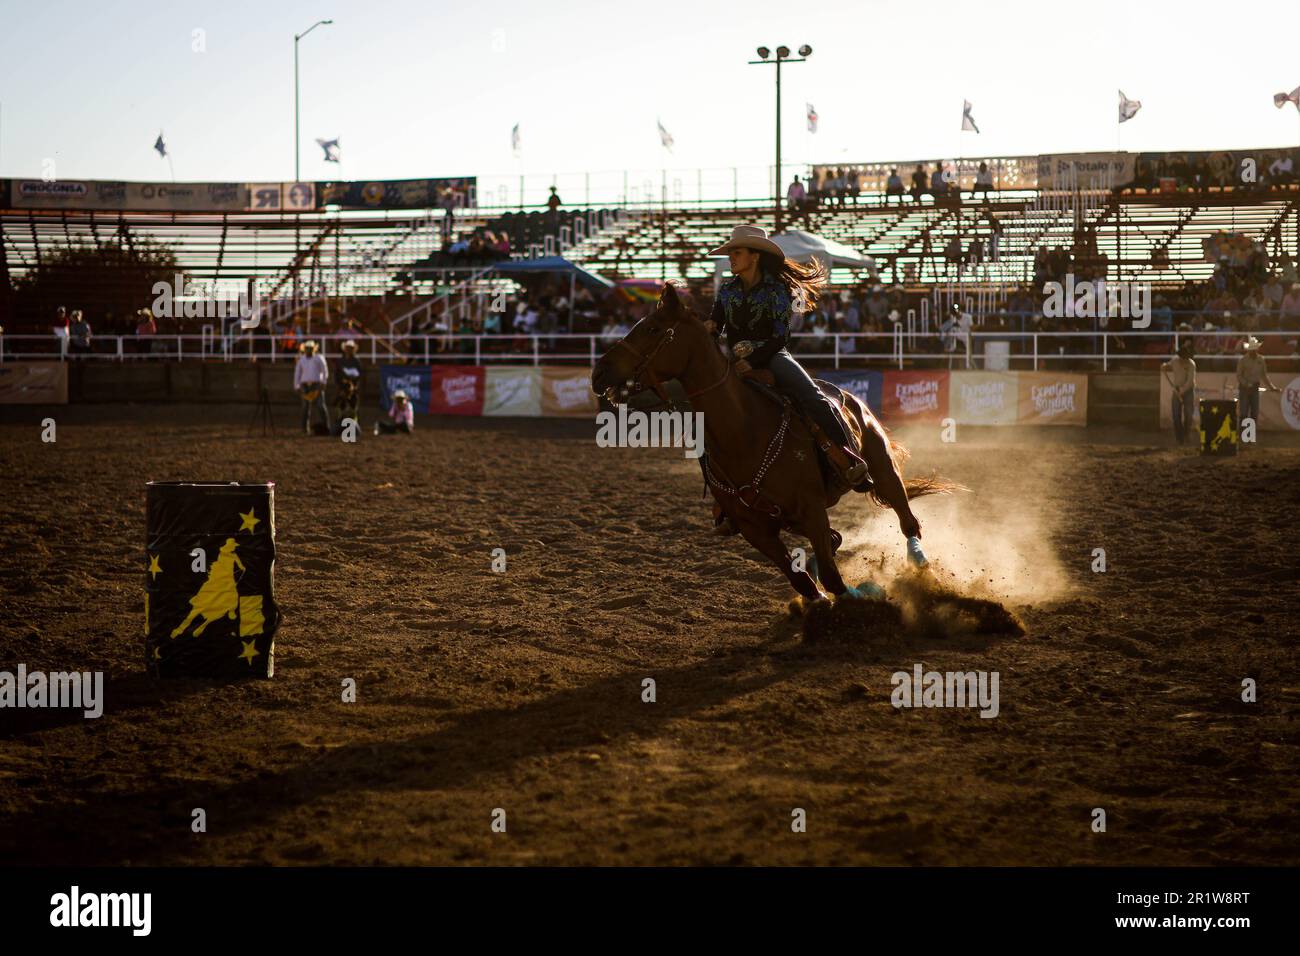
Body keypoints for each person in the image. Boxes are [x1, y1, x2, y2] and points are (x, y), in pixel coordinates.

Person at [705, 224, 870, 503]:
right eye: (730, 252)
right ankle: (721, 496)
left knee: (813, 397)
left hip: (772, 357)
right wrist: (707, 328)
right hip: (734, 362)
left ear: (754, 256)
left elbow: (780, 335)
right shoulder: (727, 290)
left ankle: (848, 457)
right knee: (707, 418)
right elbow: (717, 325)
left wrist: (752, 360)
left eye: (737, 252)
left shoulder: (777, 289)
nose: (731, 257)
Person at [1235, 336, 1280, 432]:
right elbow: (1239, 375)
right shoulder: (1243, 360)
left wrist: (1272, 387)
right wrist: (1246, 383)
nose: (1253, 351)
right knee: (1243, 412)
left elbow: (1264, 375)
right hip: (1245, 388)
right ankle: (1243, 433)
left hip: (1254, 387)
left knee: (1254, 412)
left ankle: (1250, 435)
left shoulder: (1261, 360)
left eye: (1254, 349)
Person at [1161, 339, 1197, 445]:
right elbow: (1167, 365)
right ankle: (1179, 437)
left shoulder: (1191, 365)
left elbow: (1190, 381)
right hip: (1177, 389)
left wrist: (1182, 391)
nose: (1183, 360)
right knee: (1176, 415)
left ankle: (1187, 435)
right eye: (1182, 358)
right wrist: (1164, 366)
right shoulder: (1175, 360)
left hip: (1188, 390)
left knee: (1188, 414)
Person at [294, 340, 331, 435]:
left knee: (320, 406)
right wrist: (297, 386)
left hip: (316, 384)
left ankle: (326, 426)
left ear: (313, 349)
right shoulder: (301, 359)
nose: (308, 350)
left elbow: (325, 370)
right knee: (305, 407)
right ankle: (304, 428)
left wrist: (324, 382)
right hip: (305, 385)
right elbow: (297, 373)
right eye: (307, 348)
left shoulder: (319, 358)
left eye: (310, 348)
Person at [334, 339, 363, 430]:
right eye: (348, 348)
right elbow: (336, 374)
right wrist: (338, 385)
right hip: (342, 386)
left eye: (351, 348)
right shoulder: (340, 361)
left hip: (353, 387)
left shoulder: (356, 361)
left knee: (353, 406)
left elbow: (360, 374)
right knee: (341, 406)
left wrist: (355, 386)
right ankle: (340, 424)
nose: (349, 350)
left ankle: (354, 426)